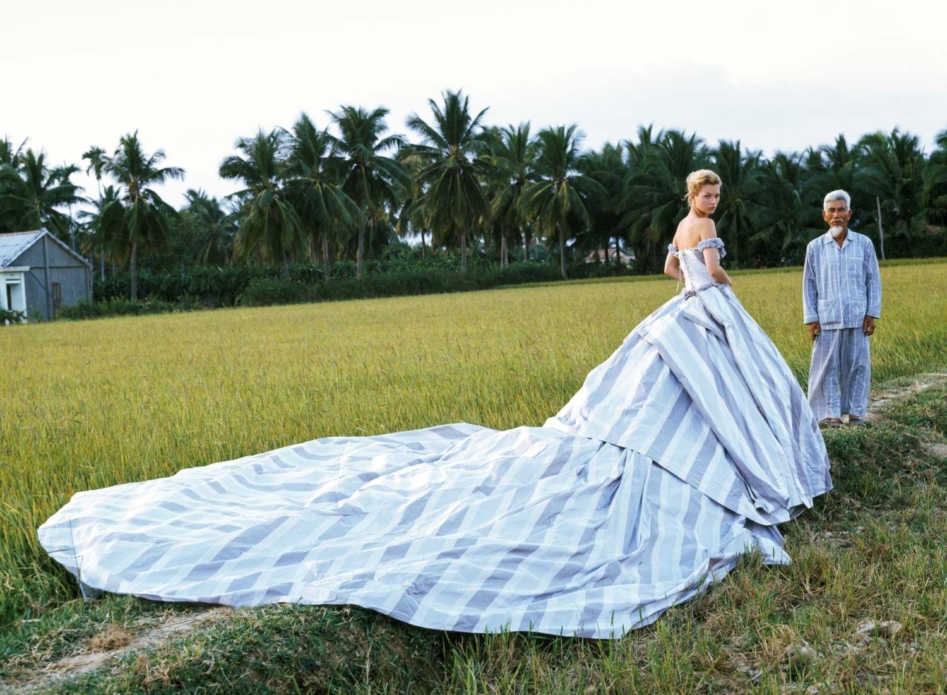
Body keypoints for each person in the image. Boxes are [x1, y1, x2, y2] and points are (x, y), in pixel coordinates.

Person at [39, 171, 832, 640]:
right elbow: (702, 275)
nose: (711, 199)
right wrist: (722, 284)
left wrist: (696, 280)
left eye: (713, 192)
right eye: (708, 191)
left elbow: (669, 271)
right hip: (706, 318)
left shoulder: (678, 230)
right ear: (696, 198)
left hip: (678, 321)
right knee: (702, 404)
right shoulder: (706, 234)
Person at [803, 190, 882, 429]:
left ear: (849, 213)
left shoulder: (864, 244)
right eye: (832, 210)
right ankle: (830, 415)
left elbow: (873, 280)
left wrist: (871, 313)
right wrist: (812, 318)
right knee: (827, 367)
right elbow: (809, 283)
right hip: (827, 318)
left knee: (857, 365)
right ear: (824, 215)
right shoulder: (815, 247)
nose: (837, 215)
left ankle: (855, 414)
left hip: (858, 316)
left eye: (841, 210)